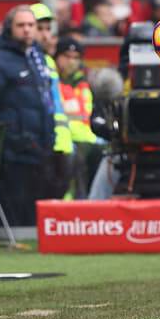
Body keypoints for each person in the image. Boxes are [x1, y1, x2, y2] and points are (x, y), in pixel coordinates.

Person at [88, 22, 160, 200]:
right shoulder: (115, 80)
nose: (144, 55)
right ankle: (93, 219)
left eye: (150, 48)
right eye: (137, 48)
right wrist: (113, 129)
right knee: (105, 172)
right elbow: (97, 118)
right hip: (127, 151)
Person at [0, 5, 55, 226]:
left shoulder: (36, 57)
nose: (27, 30)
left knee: (33, 211)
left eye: (31, 25)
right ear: (9, 28)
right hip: (11, 151)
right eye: (21, 25)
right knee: (13, 209)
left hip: (38, 147)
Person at [30, 3, 73, 199]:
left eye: (48, 29)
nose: (46, 35)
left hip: (60, 139)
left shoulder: (47, 61)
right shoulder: (30, 60)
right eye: (40, 29)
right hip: (44, 139)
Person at [55, 36, 103, 199]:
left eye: (76, 58)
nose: (71, 62)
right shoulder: (53, 83)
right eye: (67, 57)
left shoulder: (86, 84)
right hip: (64, 141)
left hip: (89, 140)